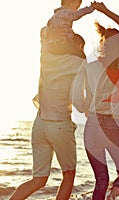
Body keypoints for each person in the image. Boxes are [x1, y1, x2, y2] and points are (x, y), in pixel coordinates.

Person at [9, 14, 89, 200]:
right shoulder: (80, 64)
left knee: (38, 179)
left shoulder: (46, 57)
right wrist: (89, 107)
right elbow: (78, 101)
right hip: (60, 124)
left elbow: (45, 32)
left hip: (39, 124)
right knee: (68, 175)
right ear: (78, 46)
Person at [72, 2, 119, 200]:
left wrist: (85, 109)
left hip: (93, 126)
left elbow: (76, 97)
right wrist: (105, 11)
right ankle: (113, 195)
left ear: (103, 44)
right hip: (114, 124)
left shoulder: (89, 68)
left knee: (100, 179)